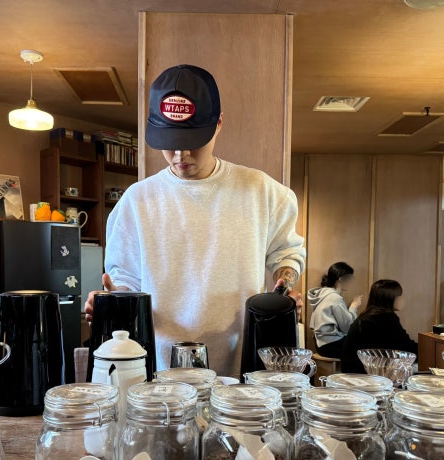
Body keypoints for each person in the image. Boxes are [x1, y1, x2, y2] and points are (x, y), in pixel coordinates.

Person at [85, 64, 306, 374]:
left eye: (193, 140)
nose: (180, 154)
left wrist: (284, 287)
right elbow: (126, 280)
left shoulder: (263, 191)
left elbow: (287, 252)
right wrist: (110, 299)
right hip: (160, 368)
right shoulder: (136, 201)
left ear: (218, 123)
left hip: (240, 362)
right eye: (169, 140)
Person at [340, 279, 418, 374]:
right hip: (362, 373)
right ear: (389, 298)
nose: (402, 300)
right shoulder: (386, 318)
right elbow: (406, 347)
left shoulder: (369, 315)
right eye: (399, 296)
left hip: (350, 369)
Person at [307, 262, 363, 358]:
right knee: (364, 349)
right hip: (331, 345)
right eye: (350, 279)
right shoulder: (335, 298)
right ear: (341, 279)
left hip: (320, 344)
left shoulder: (323, 295)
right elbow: (348, 327)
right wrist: (354, 306)